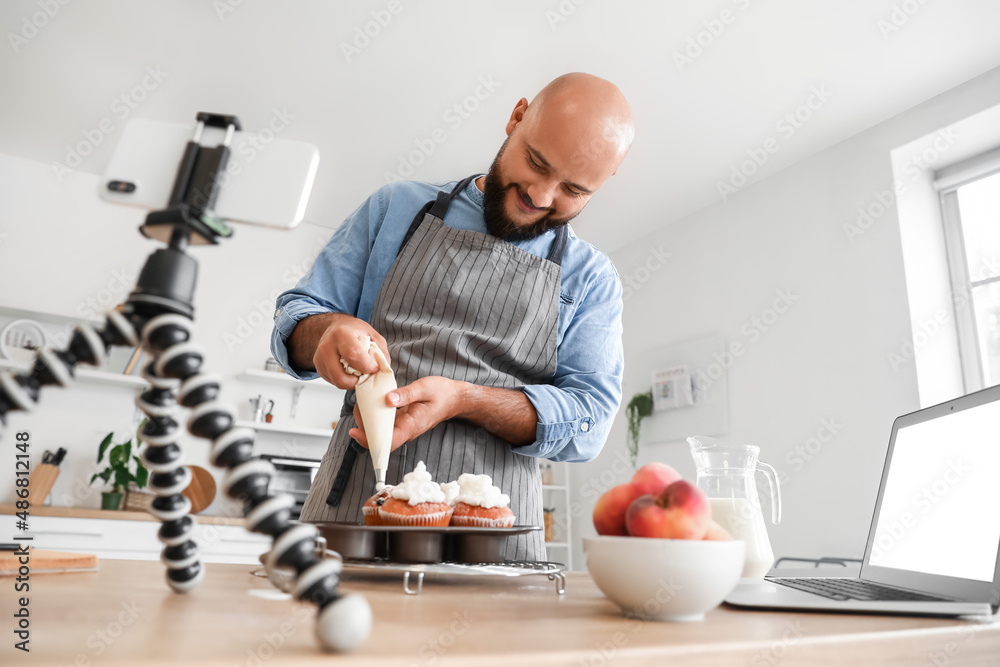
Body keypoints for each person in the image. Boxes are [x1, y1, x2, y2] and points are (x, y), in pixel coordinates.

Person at [270, 72, 634, 560]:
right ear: (517, 116)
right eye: (536, 161)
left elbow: (590, 421)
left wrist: (465, 399)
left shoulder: (591, 278)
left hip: (498, 544)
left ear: (605, 182)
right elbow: (297, 317)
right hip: (353, 517)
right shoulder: (394, 208)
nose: (542, 197)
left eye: (573, 189)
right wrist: (325, 330)